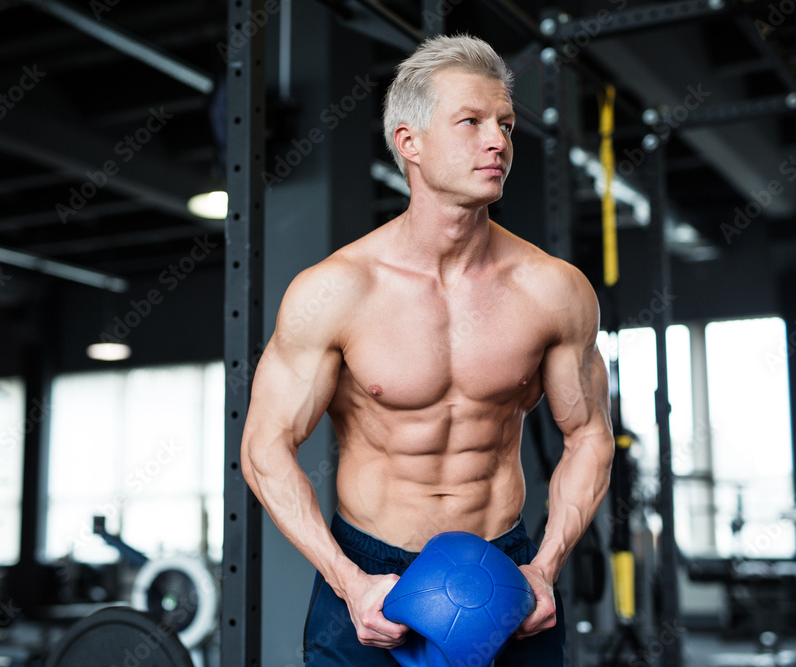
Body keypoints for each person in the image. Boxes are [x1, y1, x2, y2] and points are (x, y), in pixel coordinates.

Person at [241, 33, 615, 666]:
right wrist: (347, 581)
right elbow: (263, 449)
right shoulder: (335, 291)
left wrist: (545, 566)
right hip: (368, 575)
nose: (497, 141)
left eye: (505, 124)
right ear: (408, 142)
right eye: (470, 122)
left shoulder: (554, 290)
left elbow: (589, 436)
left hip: (506, 574)